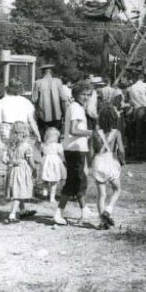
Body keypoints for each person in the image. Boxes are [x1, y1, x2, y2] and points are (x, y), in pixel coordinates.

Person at [53, 82, 94, 226]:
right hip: (74, 149)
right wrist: (90, 133)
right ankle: (59, 212)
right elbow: (73, 130)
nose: (86, 97)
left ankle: (84, 209)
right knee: (73, 181)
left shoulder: (77, 107)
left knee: (79, 179)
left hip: (77, 148)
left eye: (88, 95)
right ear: (76, 94)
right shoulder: (76, 108)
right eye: (83, 94)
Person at [0, 81, 41, 180]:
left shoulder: (2, 101)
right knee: (20, 154)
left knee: (4, 155)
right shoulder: (26, 102)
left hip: (5, 128)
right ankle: (19, 181)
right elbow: (31, 121)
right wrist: (38, 135)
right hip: (21, 129)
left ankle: (5, 182)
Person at [90, 105, 126, 230]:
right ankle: (108, 210)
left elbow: (90, 152)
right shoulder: (117, 133)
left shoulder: (94, 133)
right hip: (111, 161)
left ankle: (102, 222)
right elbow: (121, 150)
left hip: (98, 161)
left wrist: (90, 164)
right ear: (114, 119)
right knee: (117, 189)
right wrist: (122, 161)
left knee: (102, 194)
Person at [3, 122, 40, 224]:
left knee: (18, 190)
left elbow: (5, 159)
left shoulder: (11, 146)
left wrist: (11, 162)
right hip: (22, 171)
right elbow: (30, 160)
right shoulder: (26, 146)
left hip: (13, 170)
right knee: (18, 194)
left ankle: (23, 211)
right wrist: (34, 168)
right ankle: (12, 214)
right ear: (25, 133)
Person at [126, 73, 146, 160]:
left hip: (135, 110)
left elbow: (130, 101)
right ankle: (145, 153)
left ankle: (137, 152)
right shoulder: (145, 85)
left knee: (138, 133)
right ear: (143, 79)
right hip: (144, 110)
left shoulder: (131, 88)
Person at [32, 65, 65, 141]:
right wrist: (64, 112)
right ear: (51, 72)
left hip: (43, 116)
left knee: (44, 139)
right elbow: (63, 98)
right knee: (56, 138)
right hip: (57, 115)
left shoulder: (37, 83)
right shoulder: (58, 81)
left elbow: (34, 100)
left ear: (42, 72)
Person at [40, 127, 65, 204]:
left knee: (45, 178)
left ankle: (45, 192)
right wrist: (64, 160)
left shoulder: (44, 145)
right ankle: (52, 198)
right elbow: (61, 154)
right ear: (54, 137)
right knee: (54, 181)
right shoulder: (58, 145)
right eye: (57, 136)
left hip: (45, 163)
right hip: (54, 163)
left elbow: (41, 151)